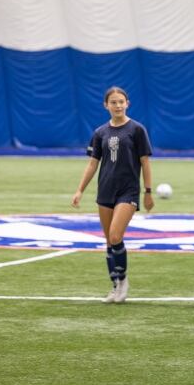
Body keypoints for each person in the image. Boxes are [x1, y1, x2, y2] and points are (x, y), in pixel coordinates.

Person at [72, 86, 154, 304]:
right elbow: (92, 164)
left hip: (128, 191)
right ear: (106, 105)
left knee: (116, 235)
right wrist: (80, 190)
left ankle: (123, 279)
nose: (118, 105)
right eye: (113, 102)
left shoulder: (137, 129)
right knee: (109, 240)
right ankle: (114, 285)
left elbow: (145, 162)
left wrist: (147, 191)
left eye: (121, 102)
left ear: (127, 103)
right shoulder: (100, 133)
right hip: (105, 190)